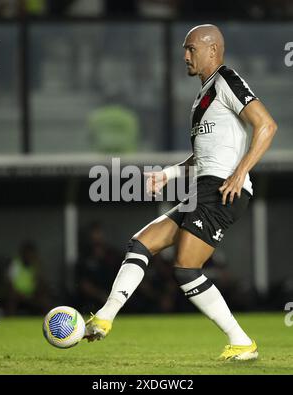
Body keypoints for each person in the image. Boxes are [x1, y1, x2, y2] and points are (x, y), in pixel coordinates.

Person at [85, 24, 277, 361]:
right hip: (204, 187)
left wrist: (240, 173)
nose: (185, 56)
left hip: (222, 190)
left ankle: (242, 342)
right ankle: (105, 317)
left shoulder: (226, 79)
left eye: (191, 49)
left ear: (213, 50)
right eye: (184, 50)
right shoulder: (204, 95)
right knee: (141, 243)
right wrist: (171, 173)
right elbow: (205, 154)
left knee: (187, 267)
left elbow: (267, 125)